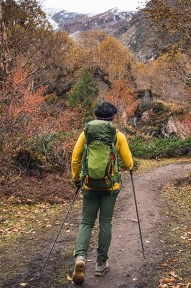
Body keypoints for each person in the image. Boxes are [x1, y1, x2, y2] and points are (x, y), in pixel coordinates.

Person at [70, 102, 133, 284]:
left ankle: (80, 257)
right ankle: (100, 264)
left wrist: (77, 179)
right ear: (113, 117)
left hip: (89, 185)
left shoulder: (86, 134)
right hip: (109, 187)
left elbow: (76, 157)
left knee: (86, 222)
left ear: (95, 116)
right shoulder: (117, 135)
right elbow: (128, 162)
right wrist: (130, 166)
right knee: (105, 222)